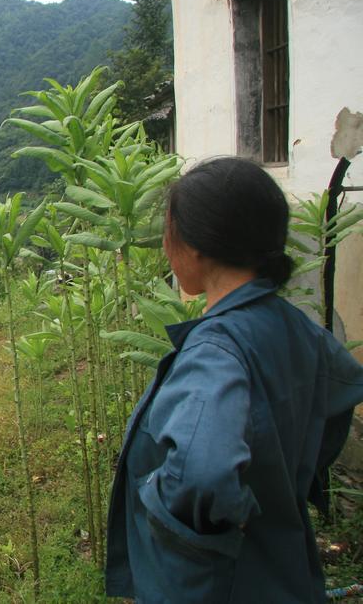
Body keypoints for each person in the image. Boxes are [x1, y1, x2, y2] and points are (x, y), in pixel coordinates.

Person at [104, 157, 363, 603]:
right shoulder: (296, 327)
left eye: (169, 231)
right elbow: (340, 398)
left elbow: (202, 472)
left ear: (196, 245)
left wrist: (175, 528)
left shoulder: (216, 349)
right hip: (287, 573)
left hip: (223, 585)